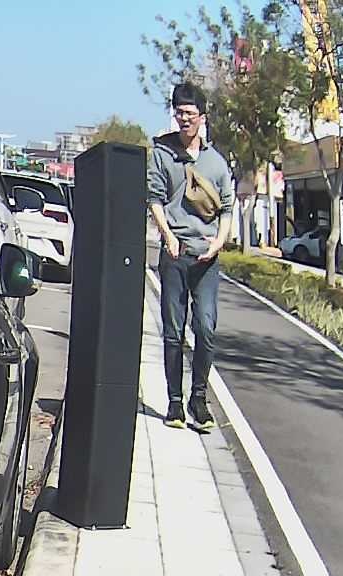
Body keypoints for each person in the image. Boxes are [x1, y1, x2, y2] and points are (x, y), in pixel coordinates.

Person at [148, 83, 236, 433]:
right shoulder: (162, 153)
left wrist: (219, 242)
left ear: (202, 117)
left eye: (190, 113)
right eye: (179, 113)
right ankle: (174, 402)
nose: (184, 119)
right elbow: (154, 198)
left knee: (205, 328)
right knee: (173, 332)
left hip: (206, 260)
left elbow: (227, 208)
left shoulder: (216, 162)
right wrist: (167, 235)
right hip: (175, 254)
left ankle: (198, 399)